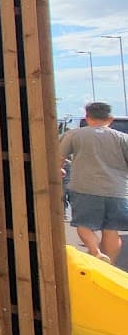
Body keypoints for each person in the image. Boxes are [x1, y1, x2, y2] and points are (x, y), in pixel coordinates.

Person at [60, 101, 128, 264]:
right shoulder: (123, 138)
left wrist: (59, 169)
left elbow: (59, 157)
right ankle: (109, 264)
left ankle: (96, 252)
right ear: (110, 119)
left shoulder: (74, 134)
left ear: (87, 117)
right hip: (117, 191)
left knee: (83, 224)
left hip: (85, 188)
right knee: (111, 230)